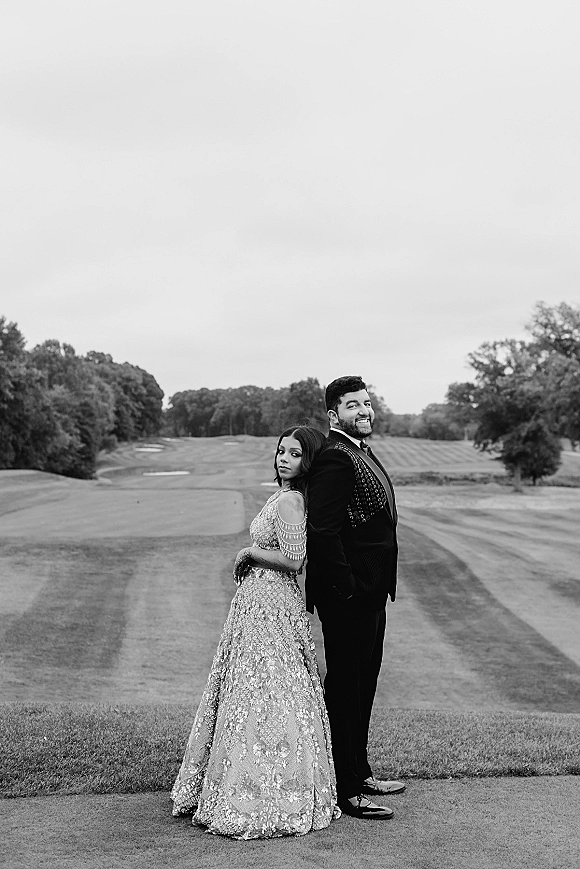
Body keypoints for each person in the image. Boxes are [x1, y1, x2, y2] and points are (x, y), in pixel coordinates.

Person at [171, 425, 341, 839]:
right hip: (257, 601)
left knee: (269, 685)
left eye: (295, 453)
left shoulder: (292, 501)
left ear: (307, 461)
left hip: (271, 603)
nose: (284, 458)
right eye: (281, 450)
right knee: (249, 684)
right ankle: (234, 779)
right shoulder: (280, 496)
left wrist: (248, 552)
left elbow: (295, 559)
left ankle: (272, 788)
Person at [306, 376, 404, 820]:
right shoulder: (335, 458)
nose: (364, 411)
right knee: (346, 688)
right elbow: (323, 531)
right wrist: (348, 588)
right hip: (350, 597)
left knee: (363, 684)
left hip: (370, 594)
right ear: (334, 414)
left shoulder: (358, 450)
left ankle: (359, 771)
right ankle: (345, 790)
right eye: (353, 405)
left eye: (367, 403)